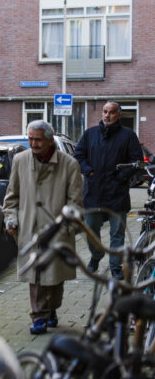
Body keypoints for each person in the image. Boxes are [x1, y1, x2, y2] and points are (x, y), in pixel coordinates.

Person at [4, 120, 83, 335]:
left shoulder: (69, 164)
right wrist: (11, 219)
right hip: (30, 228)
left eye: (38, 139)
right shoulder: (20, 160)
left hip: (57, 229)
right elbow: (11, 198)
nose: (33, 143)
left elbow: (75, 202)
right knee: (37, 276)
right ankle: (38, 316)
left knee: (54, 278)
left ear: (50, 140)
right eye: (30, 138)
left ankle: (51, 308)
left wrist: (67, 227)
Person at [74, 101, 143, 280]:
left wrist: (121, 178)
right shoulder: (90, 134)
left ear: (118, 115)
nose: (106, 115)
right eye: (105, 111)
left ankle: (115, 267)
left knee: (117, 234)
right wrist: (88, 170)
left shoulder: (128, 136)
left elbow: (136, 161)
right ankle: (96, 256)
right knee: (90, 230)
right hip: (93, 193)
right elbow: (78, 155)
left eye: (111, 112)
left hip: (117, 194)